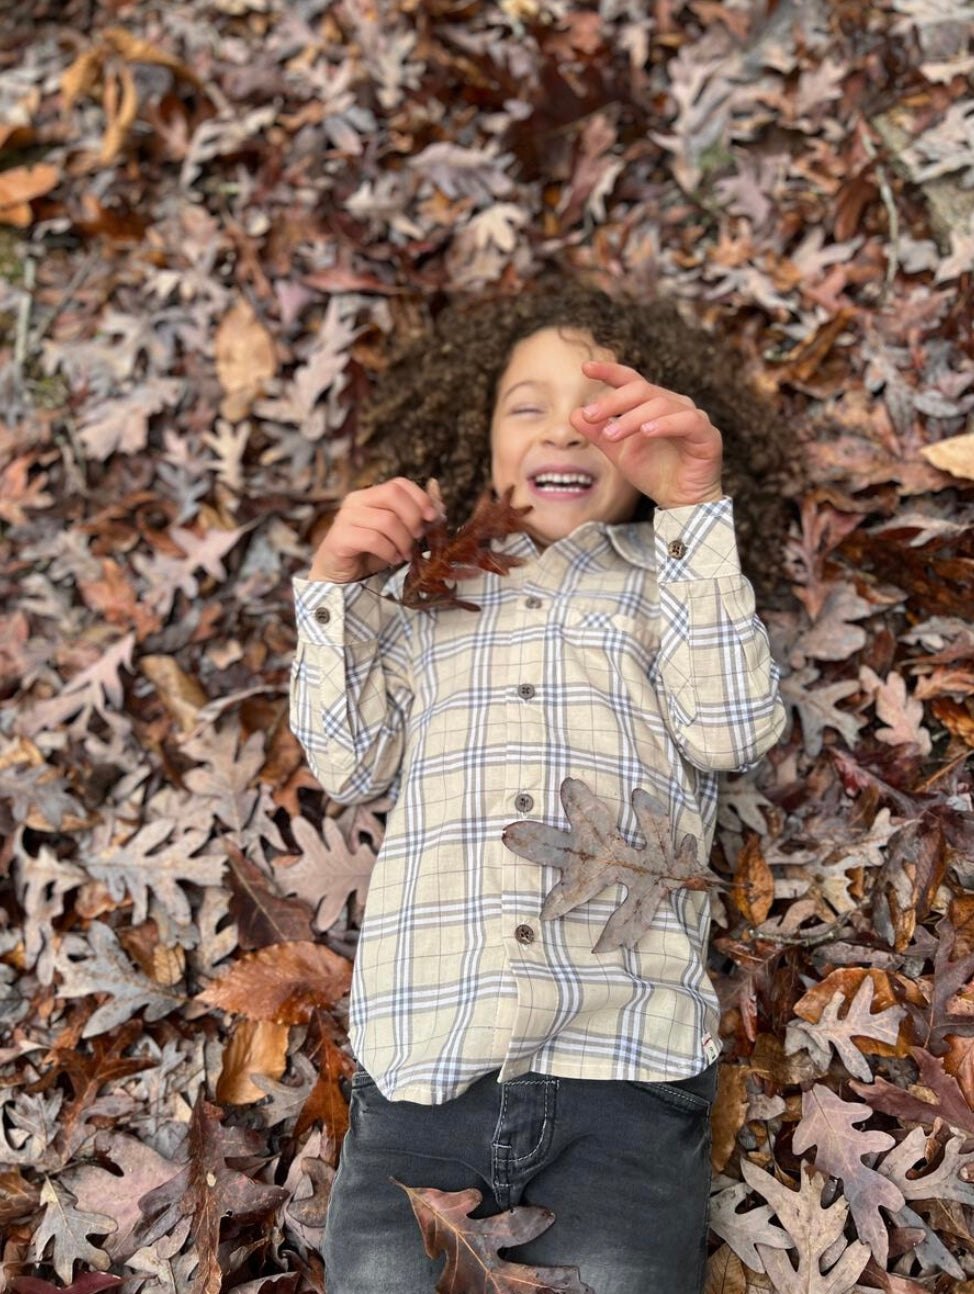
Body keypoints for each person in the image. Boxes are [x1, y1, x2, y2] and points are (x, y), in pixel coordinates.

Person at [288, 280, 789, 1294]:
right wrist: (335, 582)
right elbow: (348, 763)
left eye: (600, 409)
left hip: (624, 1069)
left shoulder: (671, 582)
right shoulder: (421, 596)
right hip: (423, 1071)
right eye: (527, 406)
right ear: (479, 447)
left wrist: (692, 505)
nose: (563, 427)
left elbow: (733, 729)